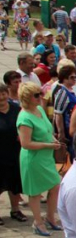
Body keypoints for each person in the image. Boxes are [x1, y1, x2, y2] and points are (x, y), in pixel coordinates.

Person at [16, 82, 62, 236]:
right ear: (27, 98)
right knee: (35, 192)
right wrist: (47, 145)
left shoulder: (40, 110)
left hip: (46, 156)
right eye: (36, 95)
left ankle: (50, 217)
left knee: (55, 185)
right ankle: (38, 222)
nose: (40, 97)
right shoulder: (24, 117)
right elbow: (26, 143)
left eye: (40, 93)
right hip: (33, 159)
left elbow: (48, 129)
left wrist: (52, 139)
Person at [0, 82, 26, 225]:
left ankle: (15, 210)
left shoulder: (17, 109)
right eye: (0, 94)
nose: (2, 97)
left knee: (15, 183)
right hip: (0, 154)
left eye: (4, 93)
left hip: (15, 152)